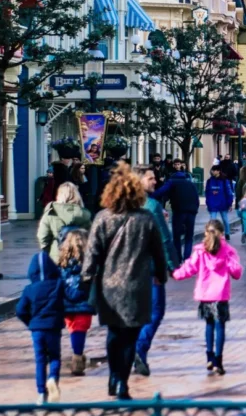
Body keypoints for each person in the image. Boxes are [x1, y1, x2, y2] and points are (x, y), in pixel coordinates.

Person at [81, 163, 168, 400]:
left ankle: (114, 376)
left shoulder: (102, 218)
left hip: (109, 286)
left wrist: (86, 279)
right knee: (130, 336)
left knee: (114, 334)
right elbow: (158, 253)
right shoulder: (146, 219)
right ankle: (122, 382)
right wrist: (161, 275)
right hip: (137, 285)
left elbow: (92, 254)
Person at [173, 219, 242, 375]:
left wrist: (176, 274)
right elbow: (236, 272)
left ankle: (209, 357)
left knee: (209, 325)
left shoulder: (200, 250)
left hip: (205, 295)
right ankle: (219, 361)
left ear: (206, 232)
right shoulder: (228, 251)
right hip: (221, 295)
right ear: (222, 233)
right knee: (220, 327)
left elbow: (189, 268)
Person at [134, 165, 178, 377]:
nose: (156, 181)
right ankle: (139, 349)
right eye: (151, 178)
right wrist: (173, 265)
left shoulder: (119, 204)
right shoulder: (151, 206)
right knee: (155, 311)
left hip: (124, 269)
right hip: (148, 268)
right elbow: (164, 238)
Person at [16, 251, 65, 404]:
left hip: (36, 329)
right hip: (53, 328)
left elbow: (20, 310)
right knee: (55, 357)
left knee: (40, 360)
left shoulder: (29, 289)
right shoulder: (58, 284)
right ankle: (53, 379)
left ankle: (40, 393)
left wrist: (30, 322)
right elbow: (73, 296)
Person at [57, 229, 94, 377]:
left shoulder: (62, 264)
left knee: (73, 328)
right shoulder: (89, 264)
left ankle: (74, 355)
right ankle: (77, 359)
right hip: (83, 304)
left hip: (66, 304)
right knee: (80, 330)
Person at [153, 159, 200, 262]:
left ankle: (178, 258)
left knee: (177, 236)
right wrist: (195, 210)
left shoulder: (172, 181)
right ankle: (187, 258)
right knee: (189, 236)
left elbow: (160, 192)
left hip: (179, 210)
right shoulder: (190, 183)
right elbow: (196, 197)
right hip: (191, 211)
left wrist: (150, 195)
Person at [37, 182, 92, 263]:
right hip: (80, 257)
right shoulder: (85, 214)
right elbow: (90, 237)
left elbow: (43, 237)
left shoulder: (51, 213)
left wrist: (50, 251)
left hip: (56, 257)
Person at [205, 165, 235, 241]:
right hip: (213, 203)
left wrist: (229, 203)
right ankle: (212, 235)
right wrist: (208, 202)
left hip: (222, 203)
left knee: (225, 219)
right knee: (212, 220)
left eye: (214, 170)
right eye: (212, 170)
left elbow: (229, 192)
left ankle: (227, 233)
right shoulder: (209, 181)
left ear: (218, 171)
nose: (212, 172)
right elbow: (207, 192)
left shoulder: (224, 181)